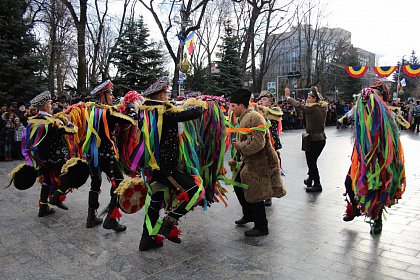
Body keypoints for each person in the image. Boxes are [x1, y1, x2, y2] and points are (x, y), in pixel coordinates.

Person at [138, 76, 206, 251]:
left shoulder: (146, 112)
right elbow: (189, 114)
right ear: (160, 96)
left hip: (153, 167)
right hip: (165, 168)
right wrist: (202, 105)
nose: (167, 96)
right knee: (195, 190)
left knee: (155, 200)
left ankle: (146, 239)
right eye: (166, 93)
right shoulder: (162, 113)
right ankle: (168, 224)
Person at [342, 81, 406, 235]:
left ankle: (377, 221)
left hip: (381, 159)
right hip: (362, 155)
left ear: (382, 96)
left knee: (378, 188)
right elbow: (346, 118)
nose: (372, 95)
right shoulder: (361, 109)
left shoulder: (389, 112)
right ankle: (355, 208)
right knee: (349, 181)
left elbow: (398, 129)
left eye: (376, 93)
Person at [230, 88, 286, 237]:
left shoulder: (254, 117)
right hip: (250, 161)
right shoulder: (243, 117)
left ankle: (262, 226)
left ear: (241, 105)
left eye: (233, 106)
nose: (231, 109)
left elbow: (257, 144)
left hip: (261, 162)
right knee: (238, 183)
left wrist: (239, 146)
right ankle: (248, 214)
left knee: (256, 192)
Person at [84, 80, 136, 232]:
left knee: (95, 184)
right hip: (107, 156)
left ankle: (91, 217)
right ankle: (111, 219)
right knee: (119, 184)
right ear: (102, 96)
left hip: (93, 155)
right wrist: (131, 109)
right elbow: (130, 120)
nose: (112, 96)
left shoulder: (92, 109)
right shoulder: (108, 112)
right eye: (110, 93)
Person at [23, 91, 77, 217]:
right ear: (46, 106)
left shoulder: (34, 121)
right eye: (50, 104)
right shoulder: (52, 121)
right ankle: (56, 197)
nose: (51, 107)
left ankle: (43, 208)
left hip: (42, 159)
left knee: (46, 182)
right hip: (57, 158)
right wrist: (69, 122)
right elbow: (71, 131)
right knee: (69, 177)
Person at [285, 86, 327, 192]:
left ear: (315, 99)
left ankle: (317, 184)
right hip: (321, 139)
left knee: (311, 163)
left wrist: (288, 97)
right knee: (312, 161)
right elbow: (319, 100)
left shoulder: (312, 109)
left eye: (310, 97)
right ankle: (310, 179)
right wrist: (317, 93)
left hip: (314, 140)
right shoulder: (322, 107)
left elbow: (299, 106)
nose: (307, 99)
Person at [257, 90, 283, 206]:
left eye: (264, 99)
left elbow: (276, 115)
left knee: (270, 169)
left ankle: (269, 194)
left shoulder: (275, 110)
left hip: (271, 144)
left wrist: (264, 111)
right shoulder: (257, 111)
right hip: (260, 143)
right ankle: (261, 192)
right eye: (260, 99)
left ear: (270, 101)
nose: (261, 101)